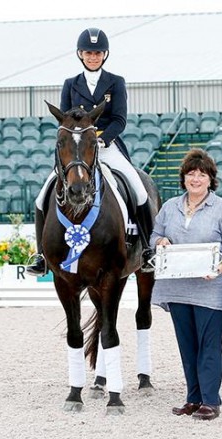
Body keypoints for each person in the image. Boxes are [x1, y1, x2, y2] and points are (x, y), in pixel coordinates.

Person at [27, 27, 155, 276]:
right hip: (78, 150)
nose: (93, 56)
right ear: (80, 54)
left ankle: (148, 250)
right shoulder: (70, 84)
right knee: (43, 194)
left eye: (97, 53)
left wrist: (103, 139)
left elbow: (119, 119)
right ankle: (41, 255)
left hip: (106, 145)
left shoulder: (115, 82)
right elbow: (65, 120)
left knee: (138, 189)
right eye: (88, 52)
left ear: (104, 55)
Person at [150, 149, 222, 421]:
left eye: (202, 174)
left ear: (211, 179)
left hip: (212, 290)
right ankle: (193, 398)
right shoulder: (170, 207)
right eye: (191, 173)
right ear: (184, 178)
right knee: (187, 346)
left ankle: (211, 400)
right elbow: (156, 234)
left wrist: (219, 267)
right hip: (178, 290)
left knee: (209, 346)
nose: (196, 179)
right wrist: (159, 242)